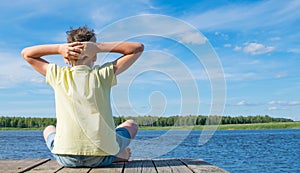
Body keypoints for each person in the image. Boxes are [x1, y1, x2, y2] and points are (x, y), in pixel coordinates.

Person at [21, 26, 143, 167]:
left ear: (66, 58)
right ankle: (118, 153)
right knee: (131, 125)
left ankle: (116, 153)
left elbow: (27, 53)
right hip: (102, 157)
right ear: (95, 57)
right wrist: (97, 47)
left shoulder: (58, 75)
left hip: (66, 158)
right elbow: (137, 48)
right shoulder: (102, 75)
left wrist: (60, 48)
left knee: (49, 128)